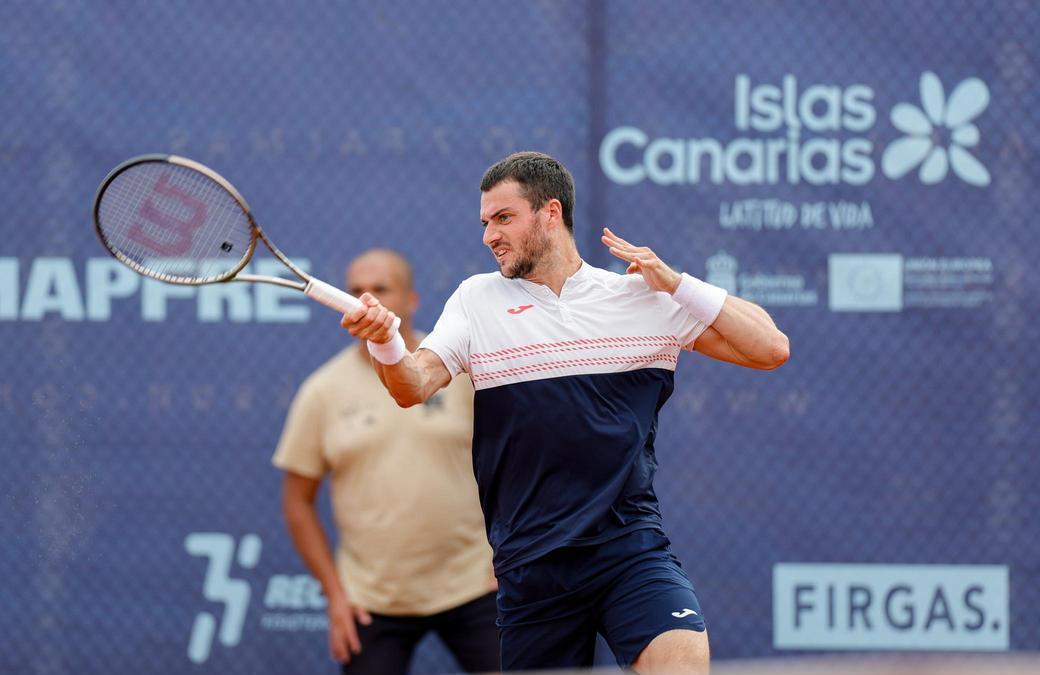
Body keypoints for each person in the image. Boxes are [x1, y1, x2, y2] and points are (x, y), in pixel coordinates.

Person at [341, 152, 790, 674]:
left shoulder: (638, 299)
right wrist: (387, 344)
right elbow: (412, 386)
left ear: (550, 213)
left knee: (683, 662)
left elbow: (770, 348)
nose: (490, 235)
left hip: (630, 548)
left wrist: (675, 283)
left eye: (504, 218)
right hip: (532, 564)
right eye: (485, 222)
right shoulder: (476, 301)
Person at [273, 248, 500, 675]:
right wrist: (336, 595)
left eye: (380, 289)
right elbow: (297, 503)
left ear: (411, 300)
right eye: (356, 290)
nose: (366, 300)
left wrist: (506, 556)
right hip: (371, 600)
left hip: (474, 587)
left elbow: (517, 465)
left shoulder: (463, 370)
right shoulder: (321, 392)